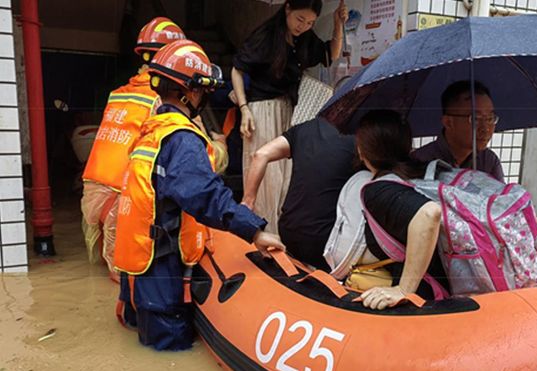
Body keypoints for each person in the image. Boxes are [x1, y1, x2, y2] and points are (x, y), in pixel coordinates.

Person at [113, 40, 285, 351]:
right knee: (169, 352)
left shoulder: (151, 130)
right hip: (162, 272)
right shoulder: (181, 139)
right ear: (190, 91)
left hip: (136, 268)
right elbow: (205, 195)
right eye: (203, 91)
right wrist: (255, 230)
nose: (204, 97)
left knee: (144, 347)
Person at [81, 17, 186, 277]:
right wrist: (220, 147)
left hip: (94, 189)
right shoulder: (162, 99)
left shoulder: (118, 93)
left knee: (111, 272)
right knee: (129, 275)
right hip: (124, 196)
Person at [231, 0, 348, 232]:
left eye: (310, 22)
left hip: (288, 111)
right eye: (300, 19)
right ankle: (261, 234)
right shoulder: (266, 35)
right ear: (287, 9)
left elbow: (330, 54)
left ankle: (280, 236)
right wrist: (244, 109)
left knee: (286, 177)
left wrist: (338, 23)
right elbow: (237, 69)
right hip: (260, 110)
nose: (303, 26)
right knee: (267, 179)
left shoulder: (304, 37)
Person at [355, 110, 449, 310]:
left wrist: (404, 289)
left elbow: (428, 213)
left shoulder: (379, 190)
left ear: (362, 151)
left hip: (425, 302)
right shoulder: (424, 173)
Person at [241, 117, 356, 270]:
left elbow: (261, 154)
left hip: (288, 230)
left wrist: (247, 202)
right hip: (326, 240)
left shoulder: (306, 128)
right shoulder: (360, 137)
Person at [412, 80, 505, 182]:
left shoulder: (488, 161)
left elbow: (502, 197)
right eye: (475, 118)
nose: (486, 128)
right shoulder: (420, 162)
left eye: (490, 118)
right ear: (448, 122)